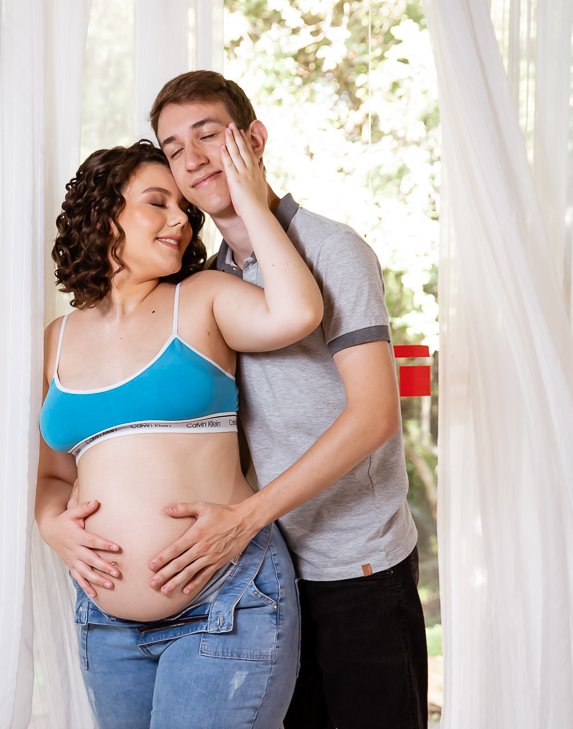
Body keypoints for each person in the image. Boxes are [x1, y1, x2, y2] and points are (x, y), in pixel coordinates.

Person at [144, 71, 429, 729]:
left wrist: (245, 518)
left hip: (359, 565)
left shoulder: (334, 250)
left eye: (208, 134)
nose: (192, 158)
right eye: (173, 147)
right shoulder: (209, 283)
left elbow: (375, 415)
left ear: (254, 138)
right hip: (269, 577)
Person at [35, 133, 322, 728]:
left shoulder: (204, 298)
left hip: (227, 600)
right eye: (156, 203)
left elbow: (298, 312)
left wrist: (250, 202)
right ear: (103, 212)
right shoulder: (56, 339)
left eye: (185, 210)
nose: (181, 222)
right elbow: (55, 471)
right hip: (104, 623)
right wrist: (49, 524)